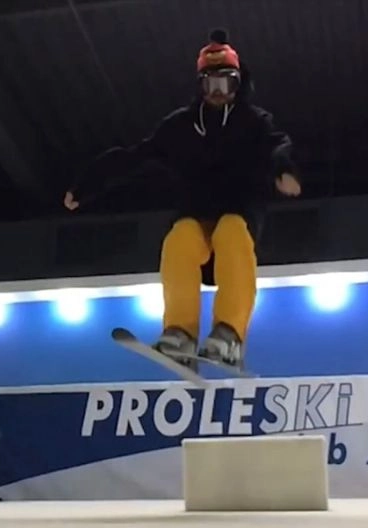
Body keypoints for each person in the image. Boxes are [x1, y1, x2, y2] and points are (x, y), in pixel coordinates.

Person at [64, 28, 302, 367]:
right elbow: (135, 157)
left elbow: (278, 145)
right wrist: (85, 186)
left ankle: (229, 333)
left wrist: (284, 170)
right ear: (201, 85)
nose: (218, 93)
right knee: (180, 238)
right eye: (211, 84)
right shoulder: (181, 126)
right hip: (196, 211)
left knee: (231, 231)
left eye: (226, 84)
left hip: (240, 211)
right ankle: (179, 332)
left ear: (238, 84)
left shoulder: (253, 121)